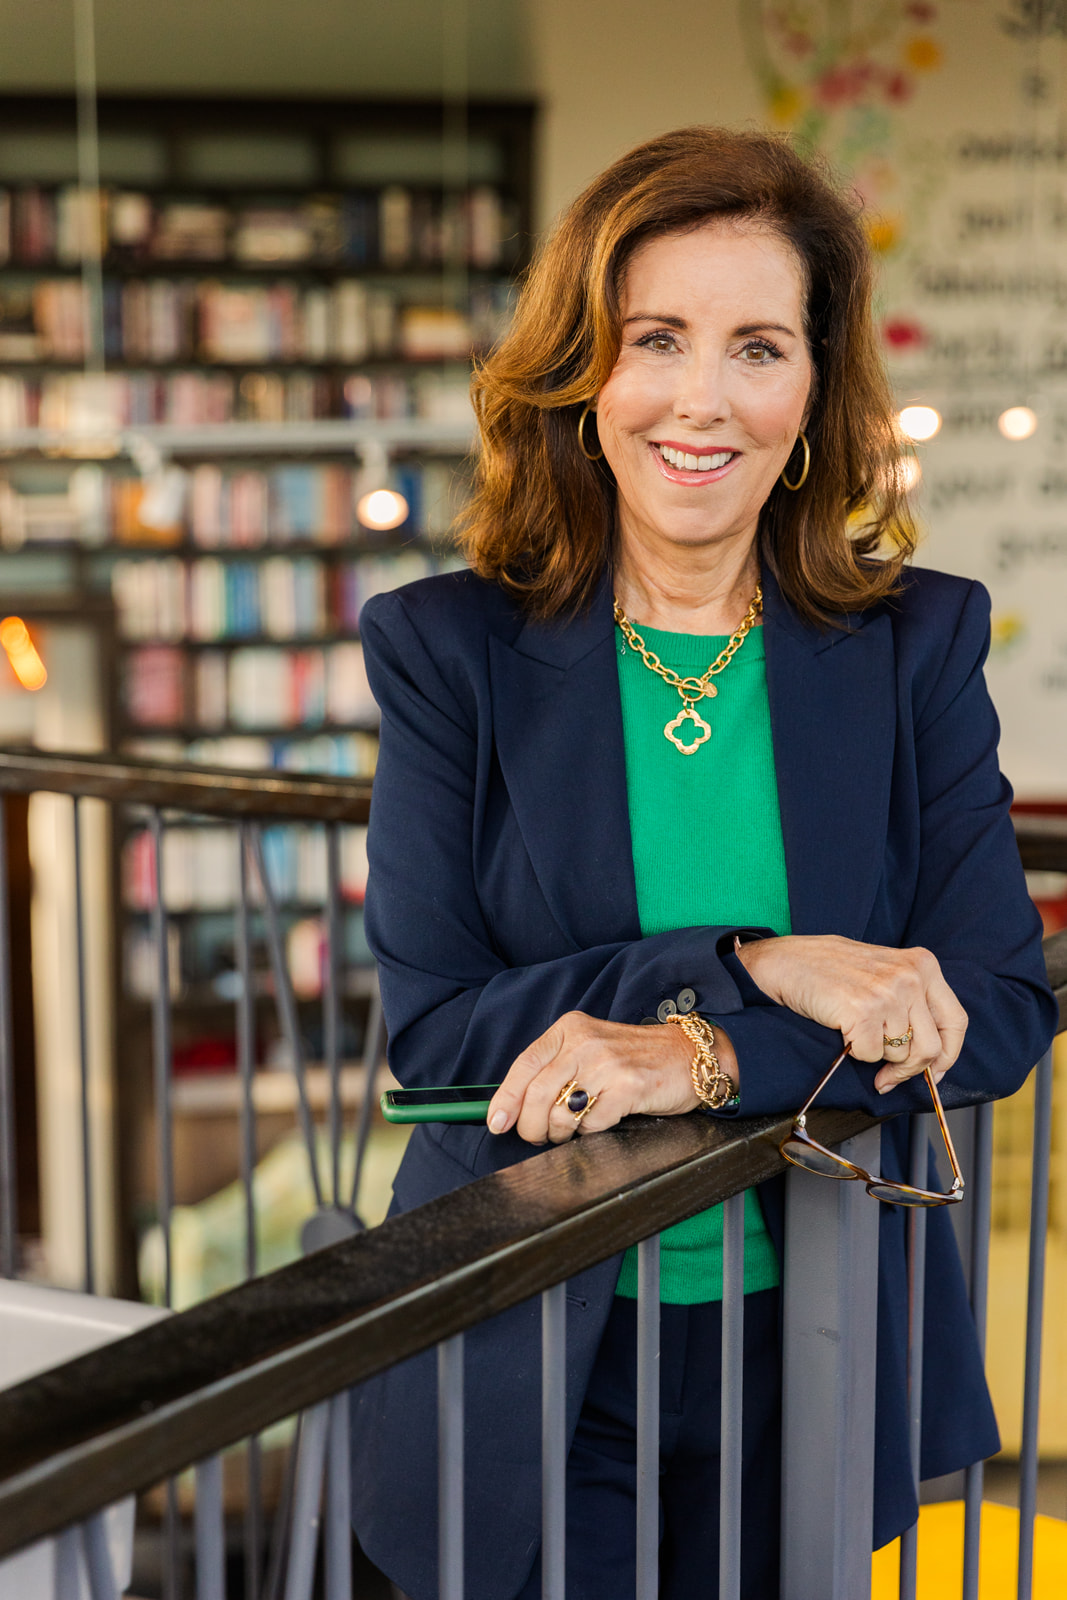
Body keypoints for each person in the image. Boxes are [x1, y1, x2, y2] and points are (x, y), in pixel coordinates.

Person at [350, 127, 1056, 1600]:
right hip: (524, 1323)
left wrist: (702, 1056)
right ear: (583, 375)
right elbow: (438, 1025)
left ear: (813, 390)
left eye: (758, 348)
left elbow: (992, 1006)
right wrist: (750, 965)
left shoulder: (918, 644)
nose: (701, 399)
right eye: (656, 339)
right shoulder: (447, 651)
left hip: (816, 1330)